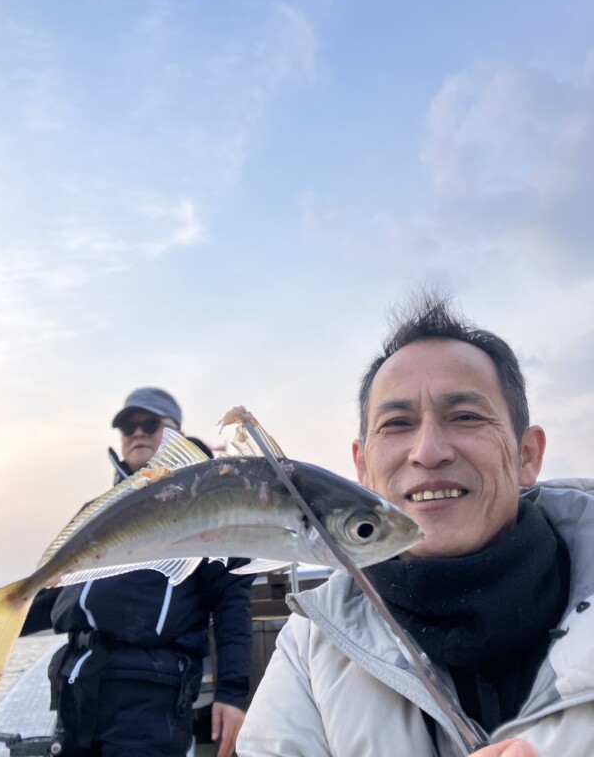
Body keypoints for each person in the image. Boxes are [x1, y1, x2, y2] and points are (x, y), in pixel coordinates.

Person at [236, 293, 594, 757]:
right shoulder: (311, 645)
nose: (428, 451)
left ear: (527, 455)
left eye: (465, 417)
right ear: (362, 468)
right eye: (398, 423)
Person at [23, 387, 254, 757]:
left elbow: (232, 598)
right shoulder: (94, 511)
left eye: (151, 424)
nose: (138, 433)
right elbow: (59, 592)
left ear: (176, 433)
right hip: (76, 687)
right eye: (128, 426)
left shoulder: (209, 502)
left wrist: (232, 693)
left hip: (150, 698)